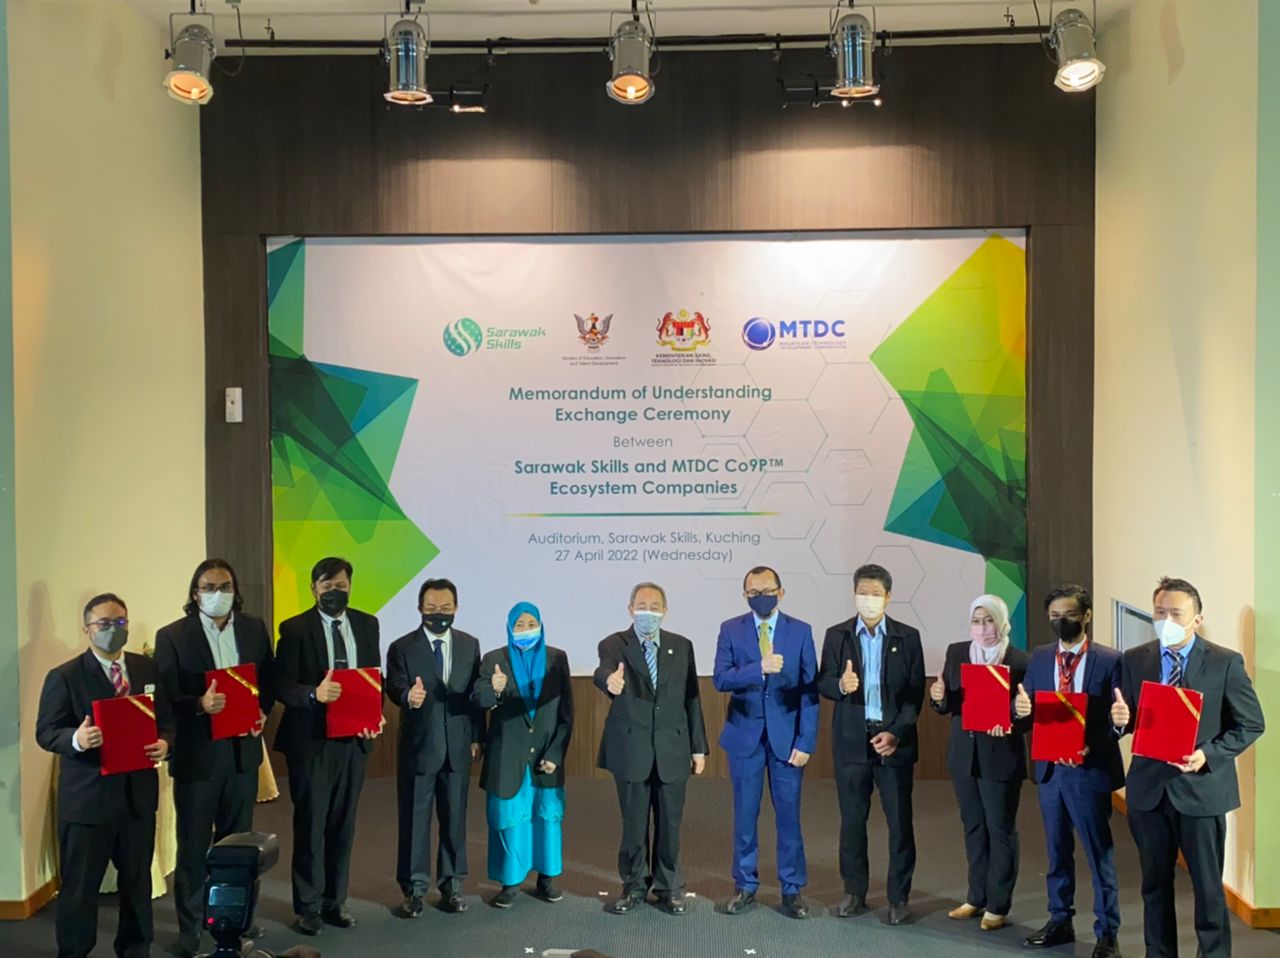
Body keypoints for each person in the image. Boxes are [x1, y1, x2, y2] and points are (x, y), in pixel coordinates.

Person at [1110, 577, 1264, 958]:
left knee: (1208, 890)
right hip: (1149, 792)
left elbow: (1250, 724)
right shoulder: (1135, 659)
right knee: (1154, 888)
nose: (1167, 621)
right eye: (1160, 613)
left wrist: (1208, 754)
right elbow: (1130, 717)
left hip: (1202, 792)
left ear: (1197, 619)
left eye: (1176, 614)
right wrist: (1120, 720)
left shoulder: (1225, 662)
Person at [35, 593, 174, 958]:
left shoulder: (146, 669)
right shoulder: (64, 676)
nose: (113, 630)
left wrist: (165, 743)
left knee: (137, 886)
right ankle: (74, 952)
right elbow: (46, 732)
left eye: (120, 622)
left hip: (137, 799)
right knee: (80, 890)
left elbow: (167, 720)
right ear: (87, 629)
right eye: (104, 624)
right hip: (88, 803)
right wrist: (76, 739)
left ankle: (136, 949)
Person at [154, 559, 276, 957]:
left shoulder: (254, 628)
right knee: (193, 847)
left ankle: (237, 921)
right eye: (209, 587)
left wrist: (262, 711)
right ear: (195, 593)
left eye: (225, 586)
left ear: (235, 590)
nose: (217, 593)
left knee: (239, 846)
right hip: (198, 756)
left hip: (242, 754)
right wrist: (199, 705)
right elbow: (165, 698)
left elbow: (268, 680)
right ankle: (190, 928)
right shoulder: (172, 636)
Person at [274, 557, 385, 936]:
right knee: (311, 823)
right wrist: (313, 694)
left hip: (354, 741)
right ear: (313, 588)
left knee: (343, 825)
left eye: (340, 585)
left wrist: (375, 715)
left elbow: (373, 677)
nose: (334, 591)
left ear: (350, 586)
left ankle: (335, 901)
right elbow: (282, 685)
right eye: (326, 585)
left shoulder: (367, 624)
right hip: (312, 743)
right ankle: (308, 906)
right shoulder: (294, 629)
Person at [1014, 584, 1124, 958]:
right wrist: (1019, 710)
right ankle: (1060, 920)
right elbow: (1026, 708)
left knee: (1098, 855)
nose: (1062, 622)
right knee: (1057, 852)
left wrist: (1096, 743)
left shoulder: (1110, 660)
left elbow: (1119, 718)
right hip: (1050, 773)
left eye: (1070, 615)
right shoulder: (1041, 657)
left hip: (1088, 770)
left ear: (1087, 616)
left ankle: (1107, 933)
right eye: (1055, 617)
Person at [818, 563, 925, 925]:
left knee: (899, 823)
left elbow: (914, 694)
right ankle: (854, 892)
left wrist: (896, 732)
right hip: (852, 742)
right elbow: (823, 680)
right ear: (854, 594)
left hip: (893, 742)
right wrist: (839, 686)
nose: (868, 599)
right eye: (862, 593)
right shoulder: (837, 635)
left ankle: (899, 898)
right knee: (852, 822)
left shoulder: (907, 637)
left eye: (875, 594)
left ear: (888, 597)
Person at [595, 581, 708, 915]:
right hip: (631, 747)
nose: (648, 612)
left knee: (670, 823)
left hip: (673, 746)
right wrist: (608, 681)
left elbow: (692, 698)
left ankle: (669, 886)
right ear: (630, 609)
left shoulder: (681, 646)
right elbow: (604, 671)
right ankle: (634, 886)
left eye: (655, 607)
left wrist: (698, 748)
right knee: (634, 824)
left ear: (665, 610)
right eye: (641, 606)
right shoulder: (614, 644)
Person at [713, 566, 819, 919]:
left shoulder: (801, 631)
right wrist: (758, 667)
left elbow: (809, 691)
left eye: (767, 590)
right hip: (744, 737)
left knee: (789, 816)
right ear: (745, 595)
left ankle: (792, 888)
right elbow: (720, 679)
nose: (761, 597)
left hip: (787, 740)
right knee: (745, 815)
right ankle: (745, 885)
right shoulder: (730, 628)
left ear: (781, 592)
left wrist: (805, 740)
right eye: (754, 592)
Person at [928, 594, 1028, 931]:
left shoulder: (1020, 661)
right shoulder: (957, 652)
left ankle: (997, 904)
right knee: (973, 826)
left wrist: (1013, 717)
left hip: (1001, 757)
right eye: (976, 621)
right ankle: (976, 896)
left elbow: (1028, 714)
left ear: (1001, 622)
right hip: (964, 756)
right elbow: (950, 703)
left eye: (989, 621)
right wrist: (938, 698)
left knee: (1000, 829)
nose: (983, 628)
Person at [385, 578, 484, 917]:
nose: (438, 614)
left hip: (458, 746)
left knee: (454, 819)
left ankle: (452, 886)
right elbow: (394, 685)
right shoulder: (401, 647)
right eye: (431, 608)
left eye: (445, 608)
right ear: (419, 609)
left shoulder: (470, 645)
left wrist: (476, 737)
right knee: (414, 820)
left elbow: (475, 696)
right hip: (419, 747)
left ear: (455, 608)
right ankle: (413, 890)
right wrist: (407, 696)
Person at [472, 603, 574, 908]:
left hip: (546, 756)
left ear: (541, 626)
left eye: (531, 624)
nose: (526, 630)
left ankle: (547, 878)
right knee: (510, 819)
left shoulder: (557, 658)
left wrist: (556, 752)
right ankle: (510, 883)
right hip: (508, 756)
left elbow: (566, 712)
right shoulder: (494, 660)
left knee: (546, 818)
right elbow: (479, 699)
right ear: (509, 628)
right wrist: (495, 689)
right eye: (519, 625)